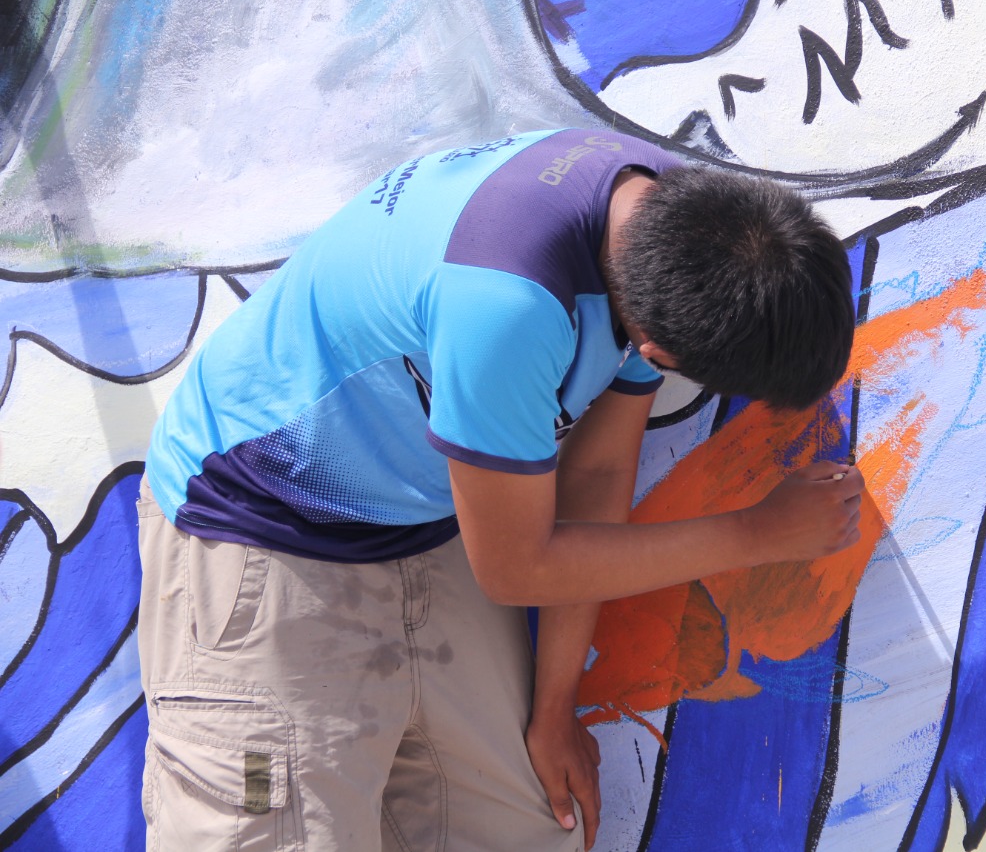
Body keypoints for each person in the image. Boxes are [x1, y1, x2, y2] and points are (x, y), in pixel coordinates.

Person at [136, 127, 862, 851]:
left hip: (436, 520)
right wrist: (757, 534)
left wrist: (554, 710)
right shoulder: (506, 304)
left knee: (533, 828)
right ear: (660, 354)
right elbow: (517, 565)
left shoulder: (665, 226)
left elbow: (599, 475)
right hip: (260, 532)